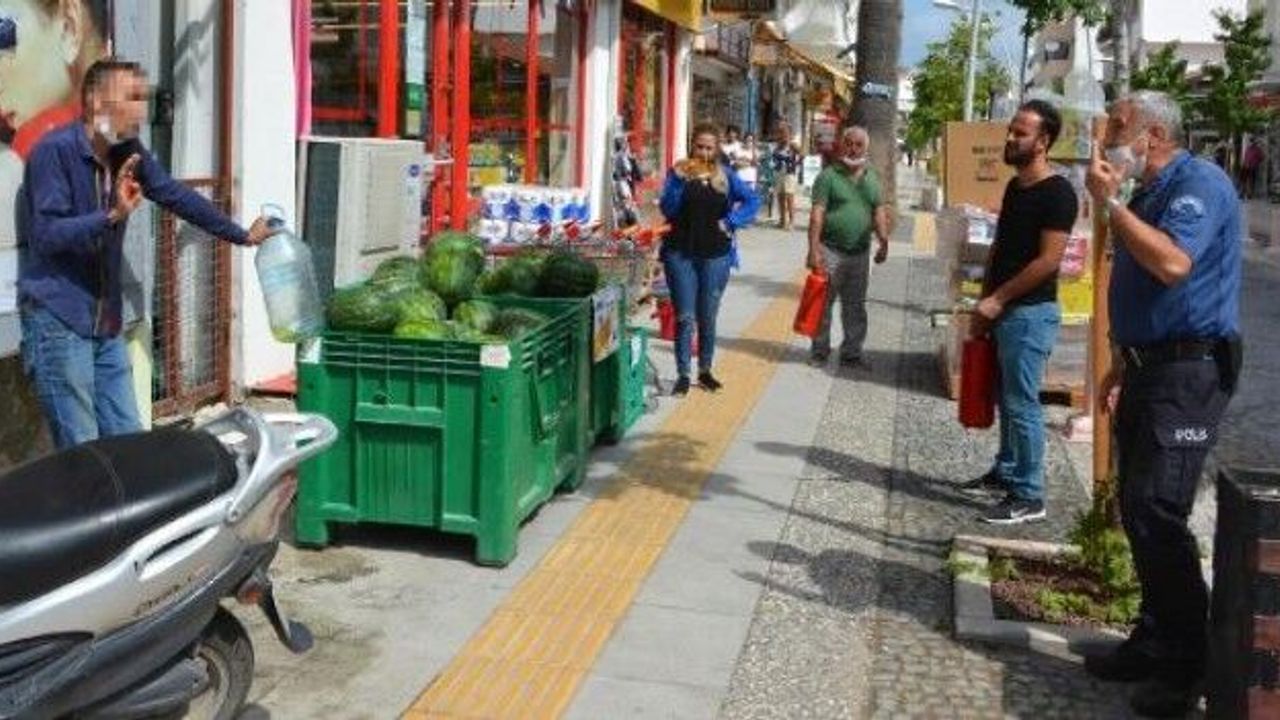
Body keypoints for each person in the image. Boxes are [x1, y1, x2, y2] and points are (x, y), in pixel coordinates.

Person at [18, 59, 278, 449]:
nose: (141, 109)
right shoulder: (53, 152)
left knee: (129, 444)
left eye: (144, 98)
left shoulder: (128, 152)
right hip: (58, 319)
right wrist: (111, 215)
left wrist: (241, 235)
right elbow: (47, 236)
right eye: (131, 97)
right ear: (94, 100)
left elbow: (175, 195)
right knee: (82, 452)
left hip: (104, 322)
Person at [1081, 90, 1242, 718]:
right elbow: (1143, 289)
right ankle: (1155, 636)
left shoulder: (1198, 183)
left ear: (1151, 133)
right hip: (1152, 366)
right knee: (1137, 505)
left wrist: (1112, 203)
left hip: (1190, 370)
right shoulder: (1147, 191)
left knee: (1158, 507)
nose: (1109, 134)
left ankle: (1189, 662)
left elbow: (1172, 263)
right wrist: (1121, 362)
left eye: (1118, 125)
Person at [959, 100, 1077, 525]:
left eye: (1020, 133)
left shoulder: (1059, 193)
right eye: (1011, 130)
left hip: (1030, 313)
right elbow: (1001, 247)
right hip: (1004, 308)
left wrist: (1000, 299)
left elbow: (1049, 260)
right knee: (1006, 398)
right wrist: (984, 300)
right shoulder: (1015, 187)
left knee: (1022, 402)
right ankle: (1007, 472)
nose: (1010, 138)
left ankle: (1030, 495)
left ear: (1043, 141)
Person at [658, 122, 759, 396]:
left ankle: (705, 371)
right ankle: (682, 374)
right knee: (685, 317)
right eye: (699, 146)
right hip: (681, 254)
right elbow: (667, 207)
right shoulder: (678, 172)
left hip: (716, 256)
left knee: (708, 315)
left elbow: (752, 201)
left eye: (709, 147)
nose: (703, 152)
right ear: (692, 146)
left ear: (716, 150)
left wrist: (732, 221)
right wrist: (679, 181)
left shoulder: (725, 175)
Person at [805, 125, 890, 370]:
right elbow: (817, 215)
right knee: (823, 304)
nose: (853, 149)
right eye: (849, 144)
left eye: (858, 145)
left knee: (855, 305)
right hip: (830, 250)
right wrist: (813, 250)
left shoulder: (872, 178)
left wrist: (884, 243)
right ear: (841, 145)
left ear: (866, 148)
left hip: (860, 252)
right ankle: (820, 351)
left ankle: (852, 353)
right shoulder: (828, 177)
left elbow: (879, 211)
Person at [771, 122, 801, 230]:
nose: (781, 134)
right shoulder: (778, 146)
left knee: (789, 197)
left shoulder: (792, 145)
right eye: (780, 132)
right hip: (779, 172)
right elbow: (774, 157)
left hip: (789, 173)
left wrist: (796, 164)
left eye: (783, 131)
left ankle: (792, 222)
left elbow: (802, 155)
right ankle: (782, 220)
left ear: (789, 133)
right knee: (780, 197)